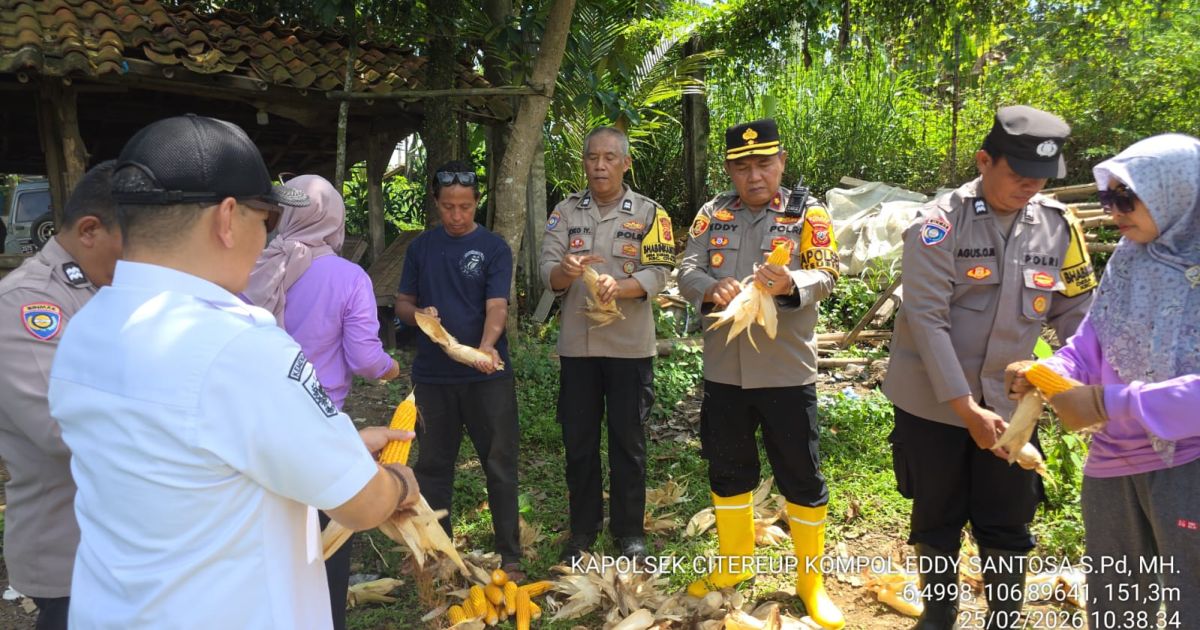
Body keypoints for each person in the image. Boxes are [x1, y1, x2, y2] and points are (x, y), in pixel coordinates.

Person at [46, 115, 419, 629]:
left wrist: (341, 446)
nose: (268, 237)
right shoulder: (240, 344)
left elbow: (197, 459)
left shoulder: (86, 329)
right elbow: (360, 505)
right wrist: (398, 483)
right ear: (226, 218)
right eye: (264, 218)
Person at [883, 105, 1096, 629]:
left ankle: (1004, 617)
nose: (1030, 188)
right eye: (1019, 177)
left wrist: (1087, 379)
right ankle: (939, 614)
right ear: (984, 161)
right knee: (937, 516)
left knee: (1008, 520)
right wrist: (966, 408)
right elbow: (927, 320)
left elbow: (1078, 313)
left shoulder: (1057, 225)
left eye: (1041, 180)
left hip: (1011, 405)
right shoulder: (937, 225)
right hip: (934, 405)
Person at [1008, 133, 1200, 629]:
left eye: (1127, 197)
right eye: (1106, 197)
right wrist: (1049, 374)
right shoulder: (1128, 261)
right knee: (1117, 606)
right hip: (1113, 463)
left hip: (1187, 464)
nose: (1113, 210)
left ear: (1175, 192)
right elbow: (1091, 345)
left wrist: (1111, 403)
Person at [678, 119, 844, 629]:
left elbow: (829, 272)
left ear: (782, 162)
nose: (754, 175)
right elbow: (685, 269)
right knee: (728, 470)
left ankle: (810, 580)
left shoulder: (807, 214)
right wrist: (710, 287)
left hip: (786, 371)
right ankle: (734, 564)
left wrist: (792, 280)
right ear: (730, 169)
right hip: (726, 371)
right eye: (742, 166)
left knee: (801, 475)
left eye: (763, 164)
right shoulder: (714, 213)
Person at [243, 174, 400, 630]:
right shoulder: (349, 277)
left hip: (258, 423)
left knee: (273, 540)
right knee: (328, 534)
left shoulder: (255, 265)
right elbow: (366, 358)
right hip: (320, 419)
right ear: (333, 217)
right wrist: (390, 368)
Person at [540, 126, 675, 563]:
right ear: (584, 163)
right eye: (592, 158)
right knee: (578, 442)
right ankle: (582, 530)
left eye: (609, 158)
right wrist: (567, 268)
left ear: (625, 163)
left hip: (630, 347)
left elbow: (660, 271)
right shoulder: (564, 212)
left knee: (628, 442)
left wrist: (624, 286)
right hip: (579, 349)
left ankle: (629, 531)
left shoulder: (652, 214)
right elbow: (548, 274)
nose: (599, 165)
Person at [0, 162, 122, 630]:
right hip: (71, 554)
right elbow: (64, 429)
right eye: (132, 247)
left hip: (123, 549)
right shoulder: (29, 303)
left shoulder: (101, 288)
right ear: (90, 230)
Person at [394, 160, 523, 578]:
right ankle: (439, 554)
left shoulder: (493, 248)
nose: (456, 215)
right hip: (433, 377)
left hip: (486, 376)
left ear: (476, 203)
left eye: (465, 206)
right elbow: (402, 304)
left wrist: (484, 348)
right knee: (433, 467)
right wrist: (419, 317)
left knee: (499, 464)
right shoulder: (421, 248)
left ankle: (510, 555)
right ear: (436, 203)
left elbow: (496, 305)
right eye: (448, 206)